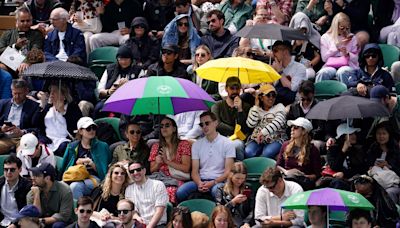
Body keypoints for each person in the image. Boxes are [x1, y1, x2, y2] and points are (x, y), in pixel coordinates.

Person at [176, 111, 235, 202]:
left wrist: (213, 182)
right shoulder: (197, 145)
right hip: (201, 180)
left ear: (216, 123)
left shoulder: (227, 143)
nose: (204, 127)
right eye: (201, 124)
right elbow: (194, 171)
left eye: (207, 123)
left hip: (219, 181)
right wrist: (199, 183)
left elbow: (228, 172)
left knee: (217, 191)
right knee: (180, 192)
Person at [61, 117, 111, 200]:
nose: (92, 130)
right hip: (75, 176)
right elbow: (65, 167)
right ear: (80, 131)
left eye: (93, 128)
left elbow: (106, 171)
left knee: (75, 186)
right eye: (88, 128)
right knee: (62, 185)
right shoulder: (72, 147)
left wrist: (92, 164)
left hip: (94, 177)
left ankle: (79, 210)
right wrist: (77, 163)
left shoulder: (103, 146)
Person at [149, 117, 191, 204]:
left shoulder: (183, 144)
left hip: (177, 178)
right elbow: (152, 170)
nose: (164, 128)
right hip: (161, 178)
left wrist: (167, 162)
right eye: (161, 126)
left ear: (174, 129)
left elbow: (186, 168)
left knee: (169, 190)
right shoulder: (156, 146)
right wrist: (158, 163)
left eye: (167, 125)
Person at [34, 81, 83, 156]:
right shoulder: (48, 107)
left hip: (64, 141)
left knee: (64, 147)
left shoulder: (72, 108)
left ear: (64, 95)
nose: (51, 94)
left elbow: (75, 127)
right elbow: (35, 122)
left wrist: (63, 112)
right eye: (51, 92)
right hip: (47, 141)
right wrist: (42, 105)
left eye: (55, 92)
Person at [211, 77, 251, 161]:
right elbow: (217, 124)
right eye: (232, 88)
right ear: (226, 89)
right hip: (220, 137)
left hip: (238, 139)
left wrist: (240, 110)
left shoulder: (246, 107)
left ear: (240, 89)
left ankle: (239, 168)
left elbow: (245, 128)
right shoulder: (217, 106)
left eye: (237, 89)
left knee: (237, 145)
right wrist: (235, 131)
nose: (235, 91)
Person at [315, 12, 359, 87]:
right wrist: (336, 46)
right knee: (323, 73)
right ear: (335, 26)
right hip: (330, 65)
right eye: (342, 28)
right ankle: (319, 95)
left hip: (348, 64)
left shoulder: (352, 38)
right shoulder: (325, 37)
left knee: (342, 72)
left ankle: (346, 95)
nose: (345, 30)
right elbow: (324, 58)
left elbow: (356, 59)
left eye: (347, 28)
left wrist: (347, 53)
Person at [277, 117, 321, 190]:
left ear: (304, 131)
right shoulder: (285, 145)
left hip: (303, 183)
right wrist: (286, 172)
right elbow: (278, 165)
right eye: (292, 127)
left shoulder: (313, 149)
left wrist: (302, 175)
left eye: (296, 127)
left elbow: (317, 174)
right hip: (287, 179)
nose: (292, 129)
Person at [245, 84, 287, 159]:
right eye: (268, 95)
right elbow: (250, 124)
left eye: (273, 95)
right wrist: (256, 106)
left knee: (267, 153)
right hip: (258, 140)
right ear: (261, 97)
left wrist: (263, 133)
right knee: (249, 152)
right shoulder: (255, 109)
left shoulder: (279, 107)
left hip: (276, 139)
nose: (271, 98)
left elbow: (279, 122)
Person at [27, 162, 74, 227]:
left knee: (57, 225)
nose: (33, 178)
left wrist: (41, 221)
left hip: (61, 223)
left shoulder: (64, 190)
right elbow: (34, 216)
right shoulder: (32, 193)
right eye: (33, 175)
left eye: (37, 175)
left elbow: (64, 216)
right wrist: (36, 195)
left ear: (47, 178)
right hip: (40, 223)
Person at [0, 79, 40, 154]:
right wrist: (2, 129)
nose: (17, 96)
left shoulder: (34, 106)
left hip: (23, 138)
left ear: (26, 91)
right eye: (15, 93)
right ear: (11, 91)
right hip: (5, 137)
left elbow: (37, 128)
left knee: (23, 154)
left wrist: (21, 132)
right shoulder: (2, 104)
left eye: (20, 93)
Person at [125, 160, 169, 227]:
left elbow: (159, 211)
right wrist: (137, 217)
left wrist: (149, 227)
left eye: (138, 169)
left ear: (144, 171)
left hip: (158, 225)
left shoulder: (158, 185)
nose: (135, 173)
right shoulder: (128, 189)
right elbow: (133, 211)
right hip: (140, 225)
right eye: (132, 171)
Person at [0, 6, 44, 73]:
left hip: (28, 65)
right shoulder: (7, 34)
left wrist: (26, 62)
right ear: (17, 22)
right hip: (9, 64)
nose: (25, 23)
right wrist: (16, 46)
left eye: (28, 20)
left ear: (31, 21)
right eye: (22, 21)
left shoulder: (36, 35)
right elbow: (0, 49)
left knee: (24, 69)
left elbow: (35, 51)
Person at [366, 121, 400, 204]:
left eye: (384, 133)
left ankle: (390, 215)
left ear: (389, 135)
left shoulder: (396, 151)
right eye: (378, 134)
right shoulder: (372, 149)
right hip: (375, 182)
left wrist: (389, 166)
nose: (381, 136)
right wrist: (371, 168)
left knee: (389, 193)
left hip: (391, 183)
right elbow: (366, 166)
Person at [324, 124, 367, 189]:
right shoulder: (333, 149)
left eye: (354, 134)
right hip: (336, 180)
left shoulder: (357, 149)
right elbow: (334, 166)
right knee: (337, 183)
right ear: (343, 136)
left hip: (353, 179)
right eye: (350, 134)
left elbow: (361, 168)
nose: (354, 136)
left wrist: (344, 173)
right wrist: (343, 151)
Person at [215, 162, 253, 228]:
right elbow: (219, 211)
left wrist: (247, 223)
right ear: (231, 175)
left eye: (242, 179)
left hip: (244, 223)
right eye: (237, 178)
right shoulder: (221, 190)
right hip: (226, 223)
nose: (240, 181)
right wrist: (233, 202)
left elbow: (253, 209)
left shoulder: (248, 188)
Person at [271, 40, 307, 106]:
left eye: (275, 51)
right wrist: (271, 72)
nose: (273, 54)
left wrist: (280, 72)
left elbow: (293, 88)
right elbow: (270, 86)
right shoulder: (275, 65)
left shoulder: (299, 68)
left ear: (285, 52)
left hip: (291, 102)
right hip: (275, 98)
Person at [0, 155, 32, 227]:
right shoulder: (0, 183)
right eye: (6, 169)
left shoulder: (27, 186)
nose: (8, 172)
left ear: (20, 170)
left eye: (12, 169)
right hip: (2, 220)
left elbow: (28, 212)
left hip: (19, 223)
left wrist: (16, 225)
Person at [289, 12, 321, 80]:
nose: (302, 32)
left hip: (307, 67)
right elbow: (287, 54)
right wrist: (295, 44)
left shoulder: (313, 38)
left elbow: (317, 56)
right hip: (292, 66)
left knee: (308, 74)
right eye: (300, 30)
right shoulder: (289, 38)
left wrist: (310, 64)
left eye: (304, 30)